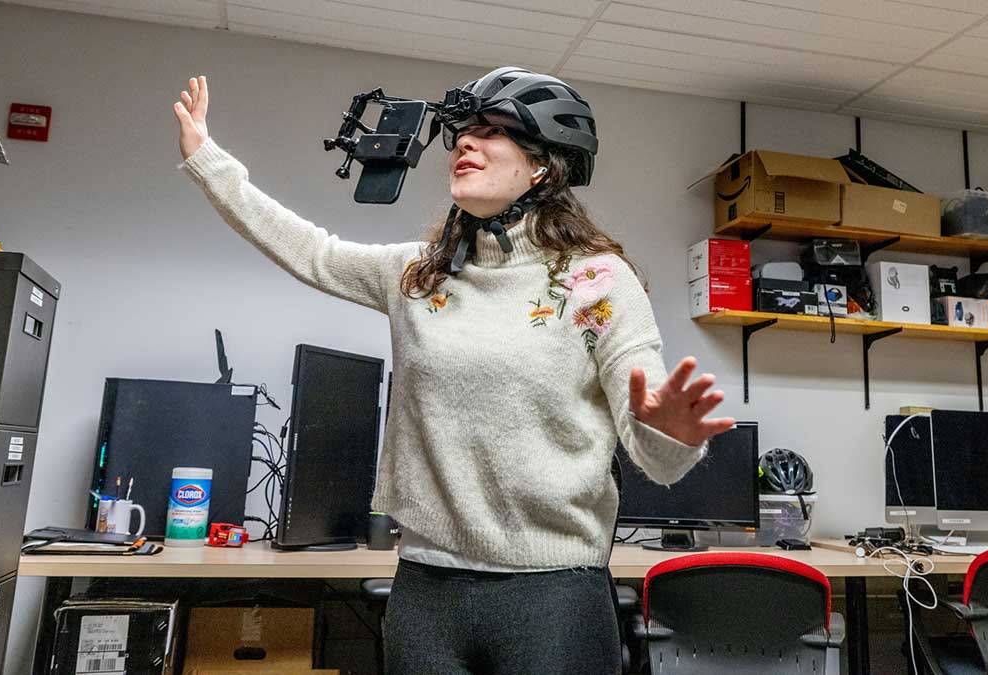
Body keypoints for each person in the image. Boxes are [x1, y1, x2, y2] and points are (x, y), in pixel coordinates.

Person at [174, 68, 734, 674]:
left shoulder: (594, 280)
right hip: (426, 591)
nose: (465, 143)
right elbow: (313, 252)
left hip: (554, 596)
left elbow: (654, 446)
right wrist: (210, 163)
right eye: (463, 132)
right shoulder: (417, 274)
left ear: (543, 166)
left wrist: (671, 432)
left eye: (493, 132)